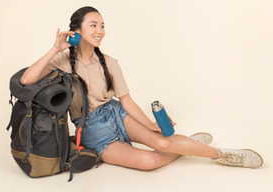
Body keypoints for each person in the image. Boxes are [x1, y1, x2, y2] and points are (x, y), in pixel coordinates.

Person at [20, 6, 263, 170]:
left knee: (163, 142)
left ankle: (221, 155)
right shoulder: (61, 62)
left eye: (102, 26)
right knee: (151, 161)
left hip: (116, 114)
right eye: (93, 25)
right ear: (77, 30)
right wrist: (56, 48)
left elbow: (126, 101)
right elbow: (26, 80)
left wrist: (150, 125)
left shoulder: (110, 63)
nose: (100, 31)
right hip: (94, 131)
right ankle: (187, 144)